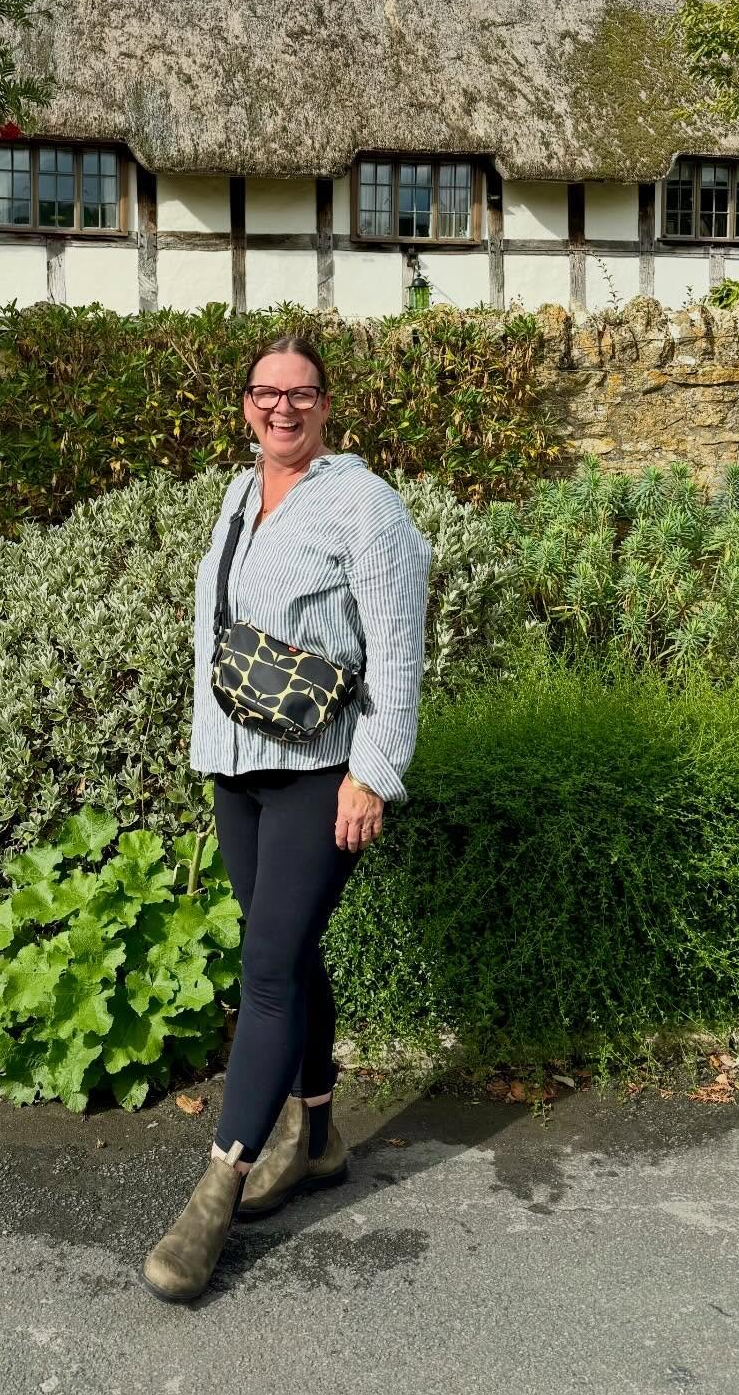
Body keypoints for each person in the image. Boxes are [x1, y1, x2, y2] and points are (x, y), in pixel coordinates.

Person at [141, 334, 432, 1303]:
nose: (283, 408)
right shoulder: (240, 493)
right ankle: (316, 1136)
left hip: (320, 772)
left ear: (326, 404)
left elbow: (396, 651)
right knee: (293, 954)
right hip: (238, 766)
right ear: (246, 403)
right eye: (266, 393)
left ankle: (217, 1190)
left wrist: (372, 776)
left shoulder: (365, 505)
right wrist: (207, 747)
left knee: (266, 969)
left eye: (301, 394)